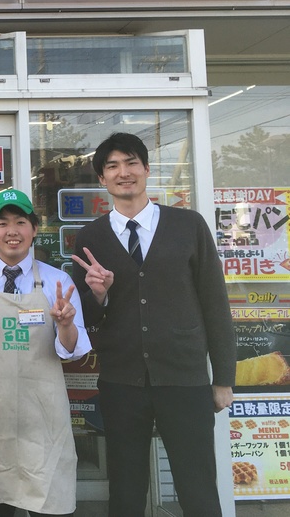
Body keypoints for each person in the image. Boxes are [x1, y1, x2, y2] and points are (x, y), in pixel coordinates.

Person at [70, 132, 235, 517]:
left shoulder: (188, 225)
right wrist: (98, 294)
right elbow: (86, 317)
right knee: (126, 490)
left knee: (197, 486)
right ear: (102, 179)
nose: (123, 172)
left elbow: (215, 303)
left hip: (185, 377)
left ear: (146, 169)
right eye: (112, 166)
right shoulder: (91, 238)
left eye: (131, 163)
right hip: (121, 382)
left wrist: (223, 378)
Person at [0, 189, 91, 517]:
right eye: (3, 223)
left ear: (34, 229)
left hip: (42, 421)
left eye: (21, 222)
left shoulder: (57, 282)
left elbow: (71, 351)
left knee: (48, 505)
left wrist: (66, 324)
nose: (12, 231)